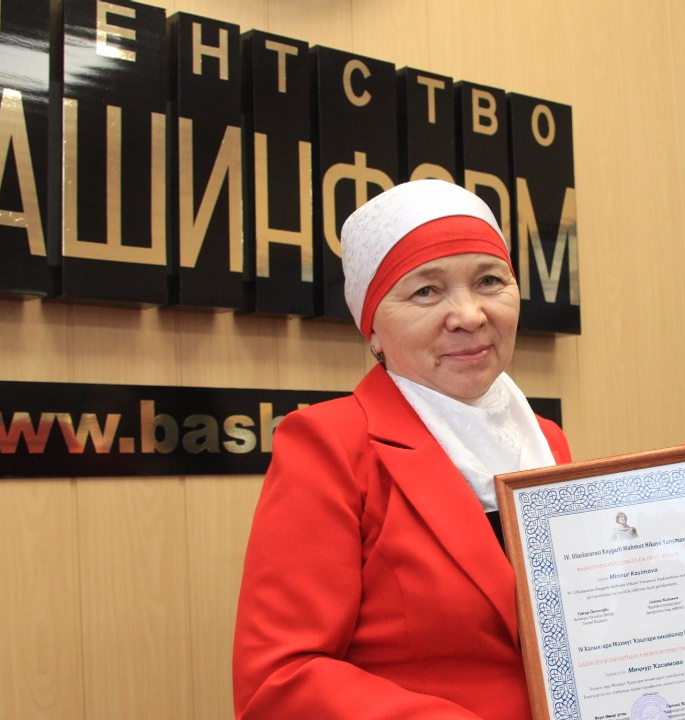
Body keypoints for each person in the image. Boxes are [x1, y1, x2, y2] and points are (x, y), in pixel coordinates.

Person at [233, 180, 571, 720]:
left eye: (489, 281)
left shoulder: (544, 440)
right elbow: (278, 680)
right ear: (372, 329)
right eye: (426, 292)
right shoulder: (330, 446)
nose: (469, 315)